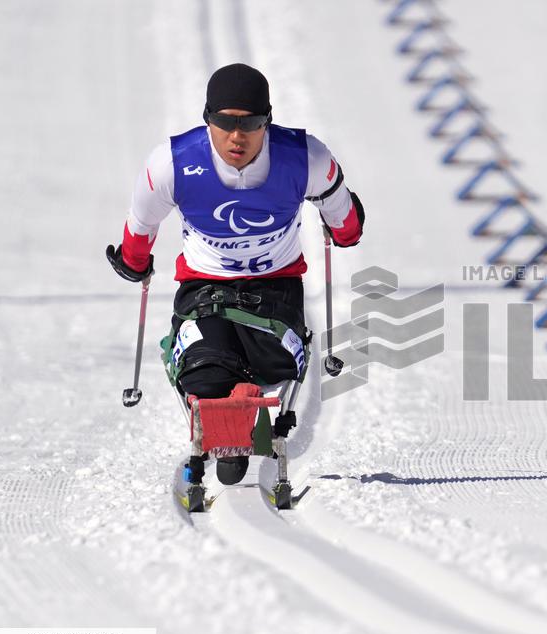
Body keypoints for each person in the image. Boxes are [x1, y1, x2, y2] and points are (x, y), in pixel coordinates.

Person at [106, 63, 365, 484]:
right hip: (203, 290)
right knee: (204, 368)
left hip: (275, 291)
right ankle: (233, 418)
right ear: (208, 118)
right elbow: (140, 226)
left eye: (251, 123)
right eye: (224, 122)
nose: (237, 136)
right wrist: (134, 263)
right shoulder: (171, 164)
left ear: (269, 120)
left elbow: (345, 224)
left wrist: (345, 227)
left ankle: (232, 419)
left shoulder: (305, 158)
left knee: (272, 366)